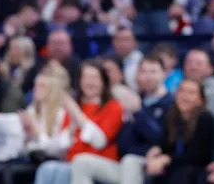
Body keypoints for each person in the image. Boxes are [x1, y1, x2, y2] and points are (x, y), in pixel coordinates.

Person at [71, 55, 173, 184]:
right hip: (123, 162)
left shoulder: (171, 104)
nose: (147, 76)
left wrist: (137, 113)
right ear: (137, 76)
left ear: (164, 74)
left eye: (153, 71)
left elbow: (162, 139)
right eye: (143, 71)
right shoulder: (131, 99)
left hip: (152, 162)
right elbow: (123, 142)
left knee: (131, 160)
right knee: (81, 162)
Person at [34, 60, 124, 184]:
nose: (89, 82)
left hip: (101, 164)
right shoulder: (75, 106)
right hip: (70, 161)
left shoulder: (113, 107)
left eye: (94, 77)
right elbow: (62, 144)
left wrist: (77, 115)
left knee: (74, 167)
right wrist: (71, 129)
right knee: (47, 169)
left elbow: (100, 141)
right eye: (85, 77)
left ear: (103, 81)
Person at [145, 78, 214, 183]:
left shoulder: (205, 119)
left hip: (193, 171)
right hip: (172, 167)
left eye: (191, 93)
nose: (184, 96)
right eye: (181, 91)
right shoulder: (171, 116)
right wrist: (156, 149)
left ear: (200, 99)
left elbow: (198, 156)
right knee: (135, 162)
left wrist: (166, 159)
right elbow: (164, 142)